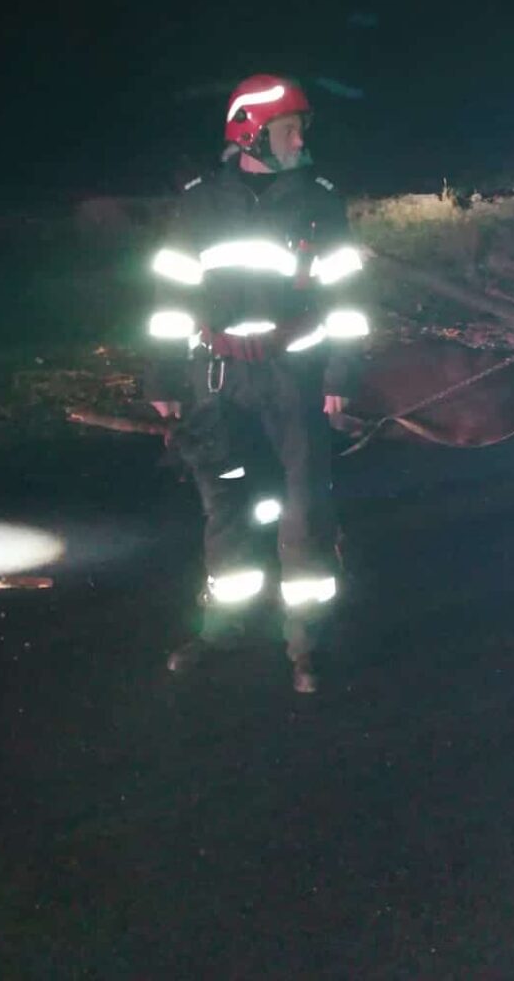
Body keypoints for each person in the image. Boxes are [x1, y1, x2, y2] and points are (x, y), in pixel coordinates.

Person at [145, 74, 370, 693]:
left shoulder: (318, 202)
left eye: (299, 129)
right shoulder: (199, 205)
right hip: (216, 381)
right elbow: (170, 296)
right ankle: (224, 625)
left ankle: (306, 644)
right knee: (225, 506)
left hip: (294, 377)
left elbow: (346, 297)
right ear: (250, 134)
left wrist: (341, 371)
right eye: (288, 129)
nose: (299, 140)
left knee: (305, 510)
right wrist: (162, 375)